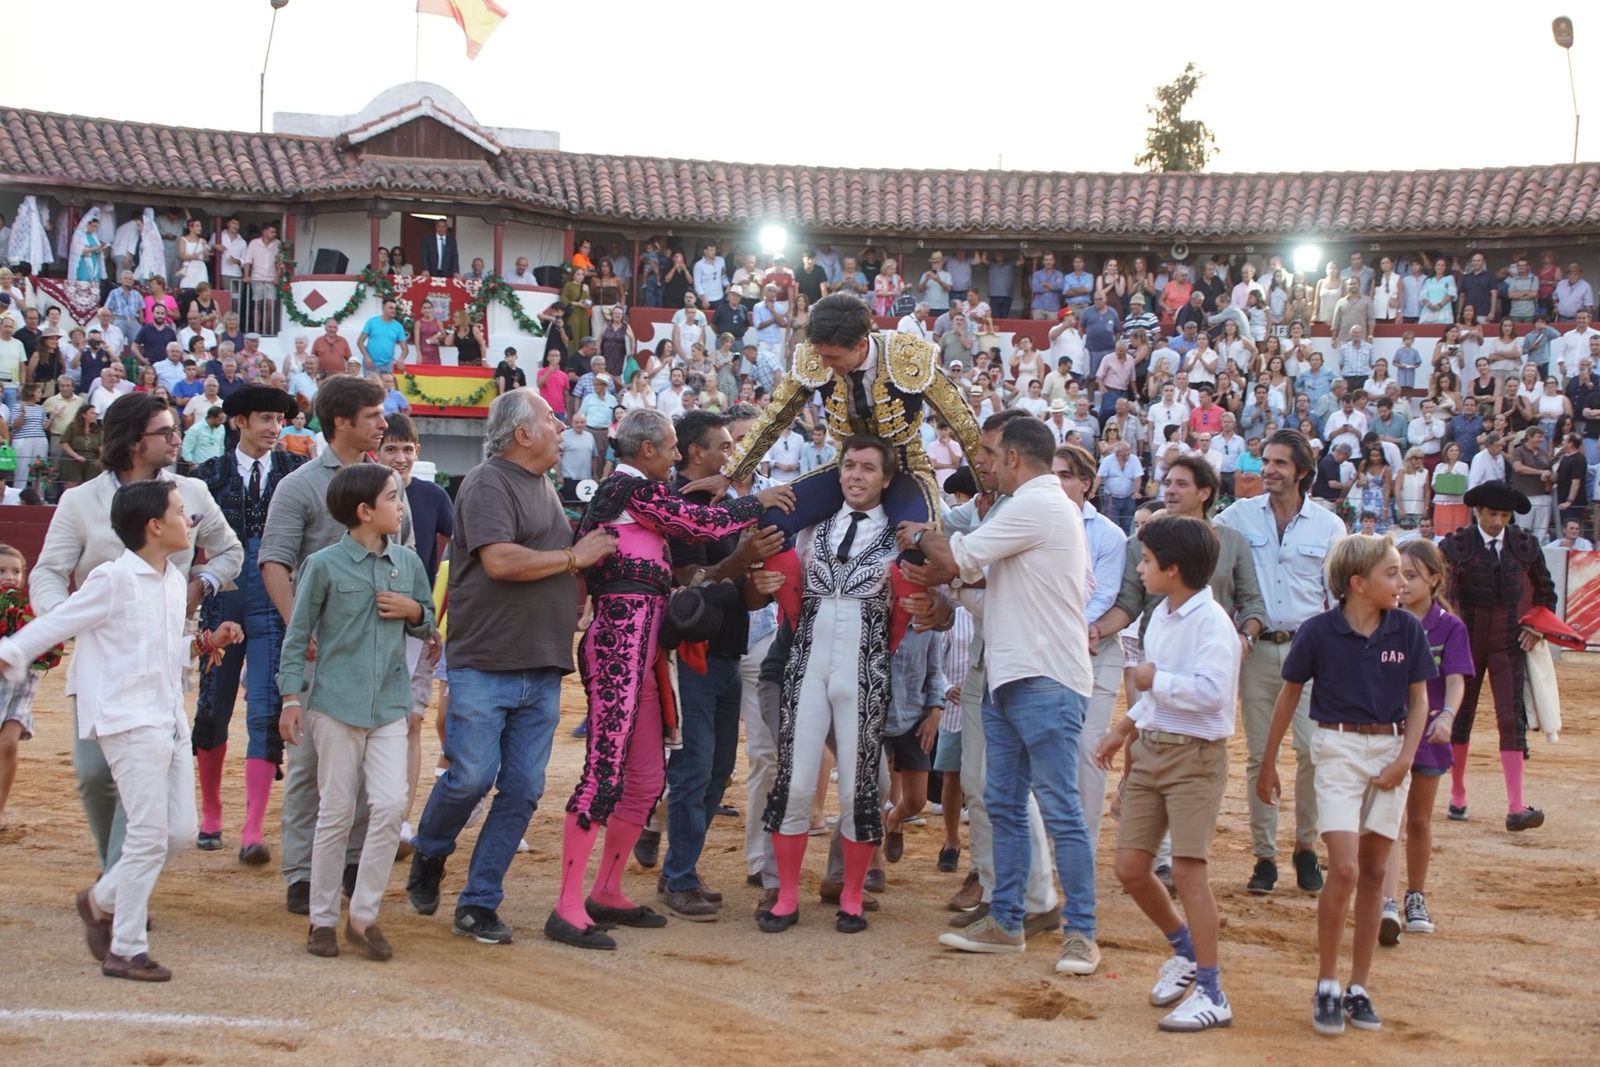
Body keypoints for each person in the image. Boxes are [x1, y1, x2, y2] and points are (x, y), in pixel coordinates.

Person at [548, 409, 787, 948]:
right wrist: (754, 502)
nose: (678, 456)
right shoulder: (622, 489)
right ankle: (566, 905)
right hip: (616, 644)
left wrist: (709, 490)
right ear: (648, 450)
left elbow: (682, 514)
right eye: (673, 447)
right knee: (603, 771)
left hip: (646, 648)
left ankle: (606, 890)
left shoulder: (637, 496)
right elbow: (696, 525)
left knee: (646, 776)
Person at [2, 479, 243, 981]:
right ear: (155, 527)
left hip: (168, 716)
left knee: (176, 832)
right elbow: (59, 622)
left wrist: (201, 642)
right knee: (149, 835)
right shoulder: (112, 578)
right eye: (181, 512)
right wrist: (11, 653)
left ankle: (99, 899)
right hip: (126, 719)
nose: (189, 519)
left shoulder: (175, 582)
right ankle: (126, 947)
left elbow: (162, 652)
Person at [407, 390, 617, 945]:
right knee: (471, 777)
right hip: (487, 659)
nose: (559, 426)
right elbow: (499, 560)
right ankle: (430, 851)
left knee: (523, 787)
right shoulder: (486, 482)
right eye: (549, 419)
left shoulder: (543, 485)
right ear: (522, 434)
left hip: (541, 661)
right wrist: (577, 558)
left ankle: (479, 901)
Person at [31, 393, 242, 875]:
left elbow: (230, 552)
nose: (175, 439)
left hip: (164, 650)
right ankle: (120, 872)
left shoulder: (191, 491)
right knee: (93, 773)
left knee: (141, 771)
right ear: (131, 442)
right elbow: (47, 573)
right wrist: (64, 616)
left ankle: (118, 884)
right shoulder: (80, 500)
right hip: (101, 651)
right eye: (164, 433)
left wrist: (201, 583)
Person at [919, 416, 1100, 976]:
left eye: (993, 454)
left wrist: (918, 535)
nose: (987, 464)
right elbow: (993, 596)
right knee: (1004, 804)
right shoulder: (1043, 508)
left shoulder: (1037, 503)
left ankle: (1082, 934)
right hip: (1014, 673)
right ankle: (1008, 920)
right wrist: (952, 586)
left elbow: (956, 558)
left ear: (1016, 459)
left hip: (1041, 677)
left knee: (1056, 809)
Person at [713, 294, 984, 630]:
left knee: (918, 547)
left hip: (904, 467)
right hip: (846, 464)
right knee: (773, 520)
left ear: (860, 344)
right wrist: (732, 472)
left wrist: (987, 487)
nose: (825, 364)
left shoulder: (908, 354)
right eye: (821, 354)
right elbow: (776, 416)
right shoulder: (816, 355)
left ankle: (887, 645)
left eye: (833, 357)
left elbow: (962, 421)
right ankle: (801, 628)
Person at [1258, 535, 1434, 1036]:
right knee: (1347, 869)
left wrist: (1405, 758)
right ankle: (1328, 983)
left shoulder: (1405, 628)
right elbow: (1288, 697)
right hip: (1335, 747)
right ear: (1359, 584)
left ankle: (1358, 986)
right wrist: (1268, 763)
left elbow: (1419, 701)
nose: (1403, 582)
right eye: (1393, 573)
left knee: (1375, 872)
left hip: (1388, 749)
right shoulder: (1317, 632)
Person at [278, 463, 433, 961]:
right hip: (335, 706)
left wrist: (414, 612)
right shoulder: (322, 565)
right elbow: (298, 635)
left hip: (389, 704)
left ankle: (363, 917)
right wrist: (290, 698)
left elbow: (426, 620)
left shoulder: (407, 562)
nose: (401, 505)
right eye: (392, 497)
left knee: (389, 807)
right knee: (337, 812)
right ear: (365, 512)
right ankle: (323, 919)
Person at [1093, 515, 1239, 1032]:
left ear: (1173, 569)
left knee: (1187, 871)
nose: (1141, 567)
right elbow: (1158, 697)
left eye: (1149, 561)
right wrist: (1125, 727)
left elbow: (1214, 694)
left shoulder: (1212, 621)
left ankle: (1213, 991)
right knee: (1131, 868)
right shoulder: (1162, 615)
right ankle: (1185, 950)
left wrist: (1160, 679)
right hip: (1156, 749)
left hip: (1197, 757)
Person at [259, 375, 400, 915]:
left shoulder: (388, 482)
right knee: (310, 764)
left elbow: (401, 560)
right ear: (342, 422)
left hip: (375, 645)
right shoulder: (297, 486)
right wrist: (303, 629)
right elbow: (274, 562)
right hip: (323, 643)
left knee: (370, 759)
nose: (383, 423)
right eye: (373, 415)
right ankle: (301, 870)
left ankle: (348, 862)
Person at [754, 436, 902, 936]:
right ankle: (788, 896)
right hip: (807, 666)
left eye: (867, 468)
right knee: (795, 780)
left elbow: (912, 609)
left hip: (864, 672)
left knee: (859, 785)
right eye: (848, 466)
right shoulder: (810, 531)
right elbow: (789, 598)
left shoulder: (902, 537)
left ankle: (853, 895)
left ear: (885, 479)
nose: (855, 475)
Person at [658, 411, 789, 920]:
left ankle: (680, 867)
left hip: (726, 653)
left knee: (715, 771)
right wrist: (741, 564)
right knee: (695, 771)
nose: (733, 455)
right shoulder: (684, 505)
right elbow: (690, 583)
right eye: (725, 446)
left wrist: (758, 586)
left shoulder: (722, 506)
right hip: (694, 656)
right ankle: (678, 875)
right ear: (696, 454)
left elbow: (740, 595)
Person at [1215, 429, 1345, 895]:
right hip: (1256, 649)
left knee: (1312, 751)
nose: (1267, 470)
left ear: (1302, 472)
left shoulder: (1329, 526)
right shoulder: (1235, 517)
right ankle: (1265, 855)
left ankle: (1306, 847)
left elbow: (1339, 598)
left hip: (1312, 652)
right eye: (1264, 462)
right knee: (1257, 755)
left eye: (1279, 464)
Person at [190, 385, 306, 862]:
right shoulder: (207, 476)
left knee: (264, 710)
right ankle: (212, 812)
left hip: (274, 601)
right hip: (223, 601)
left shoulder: (294, 473)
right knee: (214, 706)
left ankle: (253, 829)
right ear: (238, 421)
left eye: (279, 420)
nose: (274, 428)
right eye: (264, 419)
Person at [1441, 481, 1557, 832]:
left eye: (1504, 515)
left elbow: (1546, 592)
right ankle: (1458, 793)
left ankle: (1516, 805)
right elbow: (1441, 592)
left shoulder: (1524, 544)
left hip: (1508, 640)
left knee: (1511, 719)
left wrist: (1536, 628)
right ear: (1478, 511)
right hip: (1467, 639)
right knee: (1461, 716)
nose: (1498, 521)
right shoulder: (1456, 545)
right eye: (1493, 513)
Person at [1379, 539, 1471, 947]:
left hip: (1431, 732)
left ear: (1434, 580)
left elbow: (1455, 678)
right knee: (1391, 821)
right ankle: (1386, 901)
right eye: (1397, 573)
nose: (1402, 582)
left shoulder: (1450, 627)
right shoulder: (1384, 619)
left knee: (1417, 820)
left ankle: (1415, 894)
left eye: (1412, 576)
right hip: (1390, 732)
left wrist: (1448, 716)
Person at [378, 416, 454, 848]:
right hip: (369, 622)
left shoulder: (431, 496)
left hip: (416, 624)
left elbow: (461, 549)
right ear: (378, 451)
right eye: (392, 449)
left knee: (410, 719)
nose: (401, 457)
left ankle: (400, 819)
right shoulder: (365, 494)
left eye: (407, 449)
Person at [0, 544, 45, 833]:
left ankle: (0, 808)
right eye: (2, 571)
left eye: (16, 571)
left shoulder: (30, 609)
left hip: (19, 686)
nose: (10, 577)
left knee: (7, 744)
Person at [358, 299, 410, 377]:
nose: (393, 310)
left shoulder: (398, 326)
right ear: (383, 308)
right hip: (371, 364)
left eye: (395, 308)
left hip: (388, 366)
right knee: (371, 389)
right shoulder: (372, 322)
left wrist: (401, 358)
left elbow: (405, 349)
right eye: (391, 308)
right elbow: (360, 342)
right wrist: (366, 356)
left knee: (386, 389)